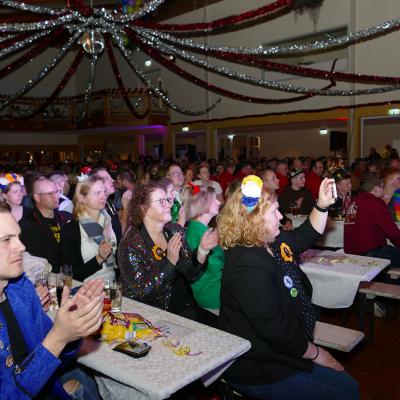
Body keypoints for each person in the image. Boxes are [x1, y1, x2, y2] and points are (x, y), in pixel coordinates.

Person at [217, 175, 359, 400]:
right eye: (274, 211)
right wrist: (316, 353)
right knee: (347, 391)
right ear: (254, 220)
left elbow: (303, 237)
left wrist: (321, 204)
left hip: (285, 350)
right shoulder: (247, 267)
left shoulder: (268, 241)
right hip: (260, 367)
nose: (281, 216)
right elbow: (276, 332)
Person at [0, 202, 104, 399]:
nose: (21, 246)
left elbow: (55, 357)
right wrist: (59, 338)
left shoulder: (20, 288)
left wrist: (71, 327)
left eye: (18, 236)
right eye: (6, 239)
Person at [118, 181, 218, 323]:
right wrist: (170, 263)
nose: (170, 204)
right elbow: (144, 293)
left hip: (183, 308)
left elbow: (191, 273)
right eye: (161, 201)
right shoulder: (130, 245)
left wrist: (202, 250)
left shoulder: (173, 230)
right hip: (150, 317)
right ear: (143, 208)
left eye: (168, 200)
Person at [61, 174, 116, 282]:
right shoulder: (71, 230)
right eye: (97, 193)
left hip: (111, 286)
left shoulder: (108, 220)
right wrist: (99, 258)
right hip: (86, 292)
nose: (103, 196)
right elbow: (68, 275)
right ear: (82, 198)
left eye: (104, 191)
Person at [344, 173, 400, 267]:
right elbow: (393, 233)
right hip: (372, 254)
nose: (383, 190)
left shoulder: (354, 201)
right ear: (376, 188)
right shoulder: (375, 203)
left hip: (352, 254)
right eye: (382, 187)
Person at [182, 183, 222, 311]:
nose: (219, 202)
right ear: (204, 205)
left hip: (211, 286)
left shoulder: (198, 227)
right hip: (211, 291)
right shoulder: (200, 232)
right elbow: (215, 266)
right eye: (214, 198)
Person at [19, 179, 71, 272]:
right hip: (46, 278)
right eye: (50, 193)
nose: (56, 196)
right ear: (37, 197)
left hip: (70, 273)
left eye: (57, 192)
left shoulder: (65, 217)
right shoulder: (27, 226)